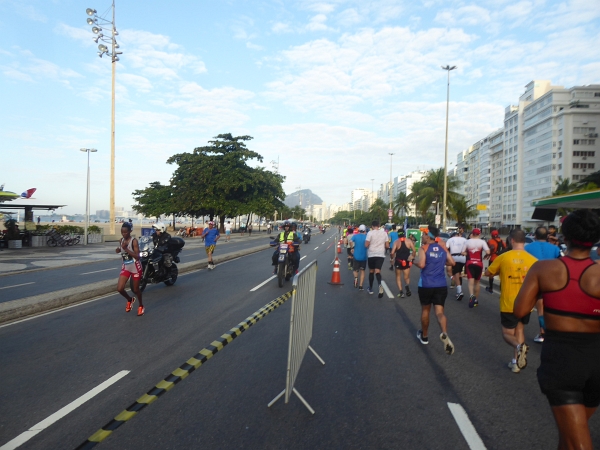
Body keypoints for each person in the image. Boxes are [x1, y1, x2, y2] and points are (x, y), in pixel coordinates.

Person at [514, 209, 600, 450]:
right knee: (570, 435)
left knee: (577, 443)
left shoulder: (544, 270)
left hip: (563, 361)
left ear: (564, 236)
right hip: (596, 358)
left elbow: (520, 310)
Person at [484, 230, 536, 373]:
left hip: (509, 302)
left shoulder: (503, 257)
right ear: (524, 241)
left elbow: (488, 272)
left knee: (507, 333)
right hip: (526, 302)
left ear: (511, 240)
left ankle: (520, 348)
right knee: (520, 329)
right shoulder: (533, 260)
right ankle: (515, 363)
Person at [414, 225, 455, 354]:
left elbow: (421, 264)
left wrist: (413, 261)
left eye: (424, 235)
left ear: (428, 236)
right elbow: (452, 262)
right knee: (439, 312)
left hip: (426, 284)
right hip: (441, 285)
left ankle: (424, 337)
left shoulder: (423, 248)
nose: (422, 237)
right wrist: (441, 262)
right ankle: (444, 332)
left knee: (426, 310)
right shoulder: (443, 248)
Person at [525, 226, 561, 343]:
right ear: (547, 236)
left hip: (536, 281)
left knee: (540, 309)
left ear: (535, 236)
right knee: (551, 309)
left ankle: (543, 333)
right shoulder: (554, 248)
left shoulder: (527, 247)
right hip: (552, 282)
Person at [115, 222, 145, 316]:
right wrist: (119, 250)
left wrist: (126, 249)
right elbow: (121, 249)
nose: (124, 234)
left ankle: (140, 305)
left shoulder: (134, 241)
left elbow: (138, 257)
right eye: (122, 232)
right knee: (120, 289)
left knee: (136, 290)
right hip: (126, 266)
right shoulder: (121, 240)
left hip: (135, 267)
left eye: (125, 232)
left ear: (130, 231)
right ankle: (130, 299)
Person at [462, 228, 490, 308]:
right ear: (479, 234)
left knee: (470, 282)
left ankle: (471, 296)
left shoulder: (467, 241)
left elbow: (462, 252)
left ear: (472, 234)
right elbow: (488, 252)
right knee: (477, 283)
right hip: (479, 263)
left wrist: (467, 253)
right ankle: (476, 300)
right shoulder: (482, 242)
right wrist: (485, 255)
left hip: (470, 263)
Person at [365, 220, 389, 298]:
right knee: (378, 271)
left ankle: (370, 288)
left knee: (371, 271)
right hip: (381, 254)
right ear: (379, 226)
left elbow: (366, 244)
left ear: (372, 226)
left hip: (372, 254)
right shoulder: (384, 233)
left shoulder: (370, 233)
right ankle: (379, 284)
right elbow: (387, 246)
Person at [390, 230, 415, 297]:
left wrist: (392, 258)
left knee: (398, 277)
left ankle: (401, 292)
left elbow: (392, 253)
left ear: (398, 235)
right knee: (406, 277)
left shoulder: (396, 242)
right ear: (404, 234)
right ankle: (407, 285)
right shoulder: (409, 241)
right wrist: (412, 256)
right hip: (407, 261)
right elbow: (414, 250)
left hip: (399, 261)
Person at [446, 231, 467, 301]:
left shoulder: (450, 240)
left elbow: (445, 249)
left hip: (454, 258)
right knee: (459, 273)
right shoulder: (464, 239)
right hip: (463, 258)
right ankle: (459, 288)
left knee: (456, 274)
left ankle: (459, 291)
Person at [485, 230, 506, 294]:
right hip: (501, 259)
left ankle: (491, 288)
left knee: (491, 274)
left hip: (493, 259)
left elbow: (491, 247)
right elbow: (506, 249)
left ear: (492, 235)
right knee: (501, 274)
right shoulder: (502, 241)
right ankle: (502, 289)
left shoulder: (491, 241)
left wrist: (487, 255)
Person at [350, 224, 368, 290]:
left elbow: (350, 241)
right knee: (362, 271)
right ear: (364, 230)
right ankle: (360, 286)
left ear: (359, 230)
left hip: (356, 256)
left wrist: (352, 248)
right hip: (363, 256)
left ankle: (356, 278)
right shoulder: (366, 237)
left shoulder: (355, 236)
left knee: (355, 270)